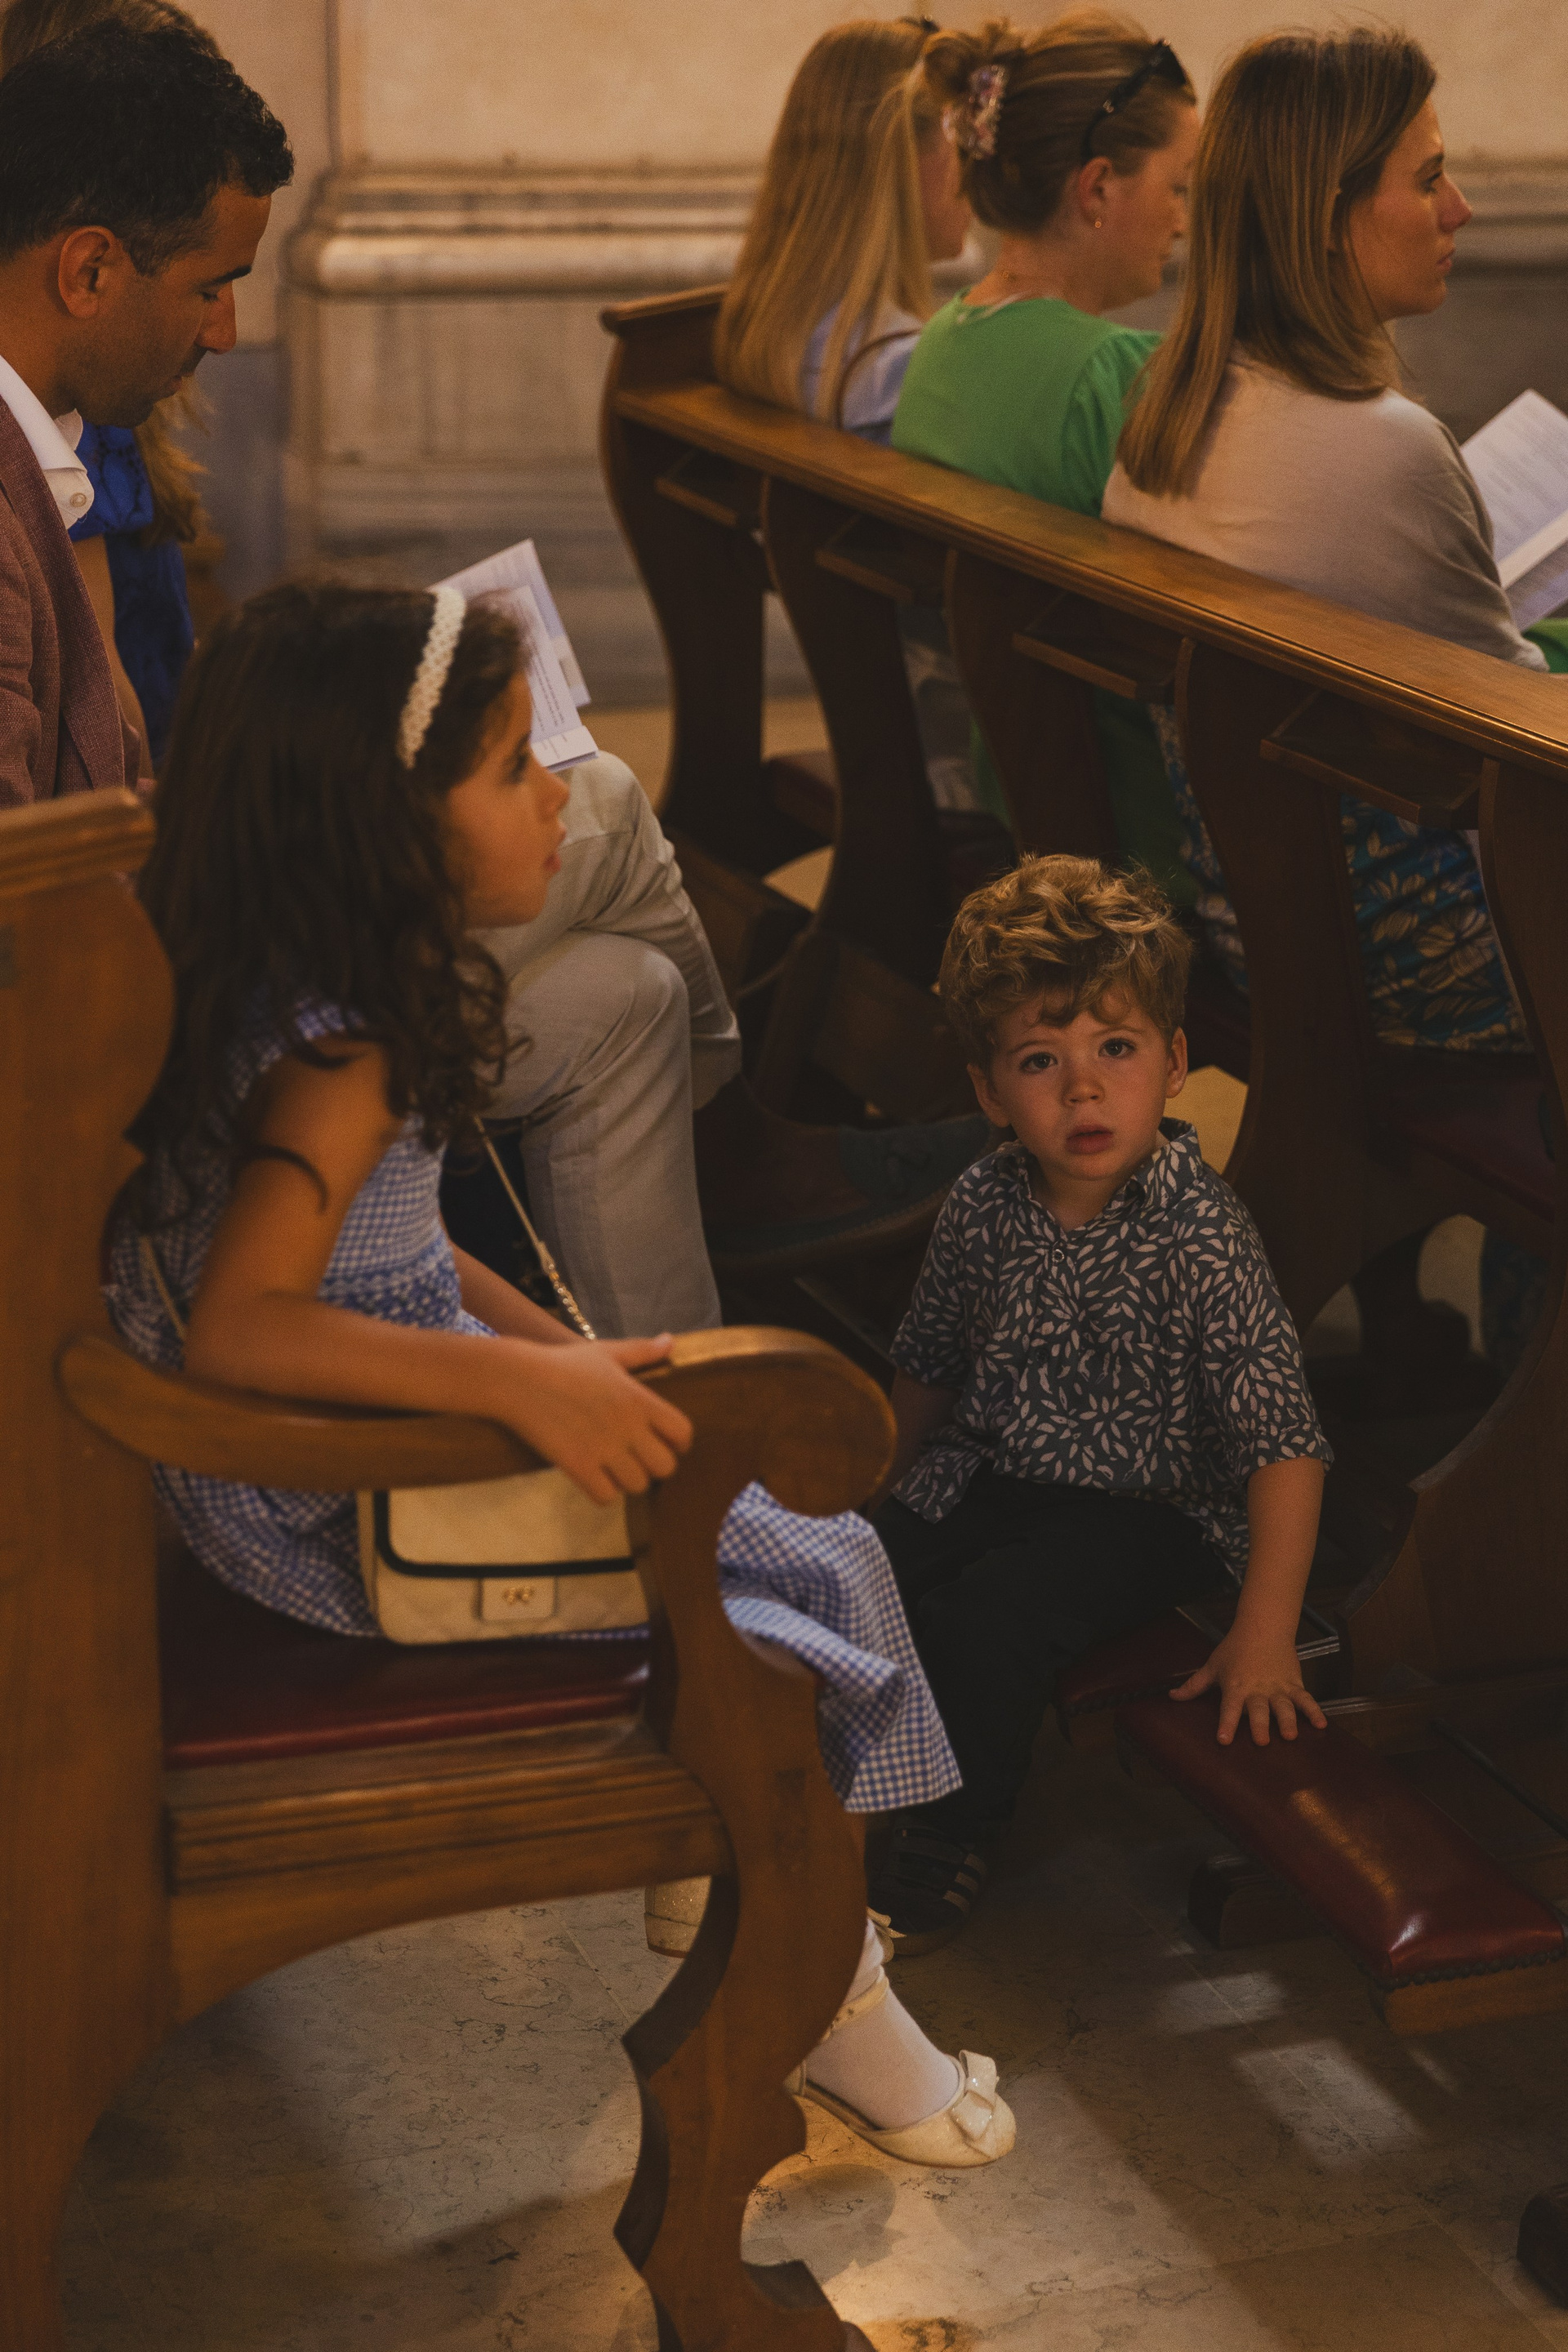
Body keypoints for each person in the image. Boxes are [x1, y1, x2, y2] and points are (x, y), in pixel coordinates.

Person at [105, 577, 1015, 2168]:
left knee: (785, 1536)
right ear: (384, 821)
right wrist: (525, 1396)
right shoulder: (344, 1048)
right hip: (347, 1513)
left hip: (342, 1450)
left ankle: (767, 1912)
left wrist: (564, 1350)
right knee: (819, 1575)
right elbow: (246, 1327)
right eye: (513, 764)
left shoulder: (312, 998)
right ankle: (829, 1987)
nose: (556, 795)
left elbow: (387, 1253)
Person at [866, 856, 1331, 1953]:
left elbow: (1284, 1442)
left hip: (1153, 1508)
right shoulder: (983, 1202)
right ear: (990, 1092)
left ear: (1174, 1064)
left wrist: (1266, 1631)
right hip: (1001, 1469)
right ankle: (834, 1774)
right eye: (1041, 1060)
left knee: (990, 1615)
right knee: (865, 1567)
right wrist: (875, 1494)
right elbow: (929, 1363)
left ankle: (953, 1828)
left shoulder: (1201, 1234)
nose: (1082, 1090)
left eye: (1114, 1049)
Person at [1105, 25, 1568, 1050]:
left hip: (1263, 921)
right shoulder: (1384, 448)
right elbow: (1532, 748)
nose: (1460, 209)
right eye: (1430, 180)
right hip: (1442, 963)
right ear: (1326, 218)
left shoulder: (1166, 417)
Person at [892, 11, 1199, 885]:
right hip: (1147, 841)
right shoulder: (1114, 378)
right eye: (1179, 187)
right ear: (1097, 187)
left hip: (1017, 795)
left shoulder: (944, 341)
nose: (1184, 221)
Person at [0, 16, 287, 804]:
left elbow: (95, 795)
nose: (225, 335)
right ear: (89, 271)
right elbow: (26, 867)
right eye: (210, 288)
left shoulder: (42, 444)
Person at [716, 16, 969, 443]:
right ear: (900, 161)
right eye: (965, 141)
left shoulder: (768, 330)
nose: (977, 172)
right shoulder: (902, 369)